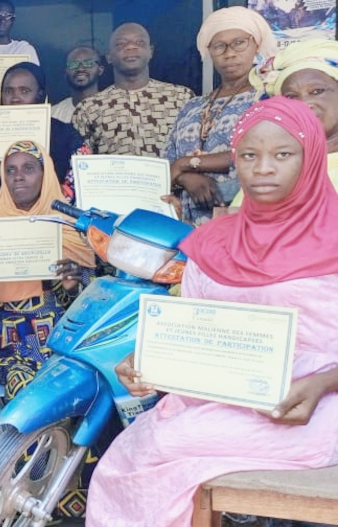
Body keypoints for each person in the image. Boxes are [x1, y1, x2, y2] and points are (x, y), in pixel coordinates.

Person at [87, 96, 338, 526]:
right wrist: (151, 362)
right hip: (220, 400)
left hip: (315, 406)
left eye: (283, 154)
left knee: (155, 450)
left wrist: (320, 383)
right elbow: (197, 330)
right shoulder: (212, 242)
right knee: (133, 455)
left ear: (312, 157)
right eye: (248, 155)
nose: (262, 169)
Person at [0, 140, 95, 399]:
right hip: (8, 346)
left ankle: (60, 439)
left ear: (45, 173)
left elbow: (94, 299)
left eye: (28, 168)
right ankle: (41, 440)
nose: (18, 177)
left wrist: (73, 285)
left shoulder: (71, 226)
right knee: (26, 386)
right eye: (10, 170)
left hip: (62, 343)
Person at [164, 7, 276, 226]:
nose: (229, 53)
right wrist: (188, 178)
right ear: (209, 51)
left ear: (256, 45)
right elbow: (168, 164)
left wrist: (187, 163)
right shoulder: (192, 106)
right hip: (185, 226)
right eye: (219, 46)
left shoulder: (268, 97)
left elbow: (261, 153)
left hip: (247, 221)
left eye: (239, 42)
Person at [0, 62, 89, 217]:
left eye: (24, 91)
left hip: (53, 224)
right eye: (8, 91)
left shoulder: (67, 135)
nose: (15, 98)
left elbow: (78, 184)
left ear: (41, 95)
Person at [233, 38, 337, 205]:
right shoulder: (271, 168)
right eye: (291, 96)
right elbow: (241, 224)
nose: (304, 104)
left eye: (317, 91)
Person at [72, 23, 194, 157]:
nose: (131, 47)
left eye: (139, 42)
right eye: (121, 44)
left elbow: (193, 154)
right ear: (108, 57)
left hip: (171, 178)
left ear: (151, 51)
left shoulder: (181, 98)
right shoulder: (89, 108)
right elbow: (80, 164)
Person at [52, 46, 105, 124]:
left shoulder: (114, 108)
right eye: (73, 64)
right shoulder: (53, 114)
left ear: (100, 70)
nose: (80, 68)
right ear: (66, 72)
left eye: (88, 63)